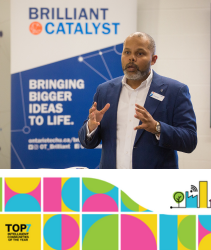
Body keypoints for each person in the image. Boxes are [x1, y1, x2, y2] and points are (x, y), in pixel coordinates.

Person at [78, 32, 197, 169]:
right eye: (127, 52)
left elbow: (190, 140)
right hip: (111, 186)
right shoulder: (104, 91)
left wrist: (157, 128)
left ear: (153, 59)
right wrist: (91, 127)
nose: (131, 58)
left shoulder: (175, 91)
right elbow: (87, 142)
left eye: (140, 53)